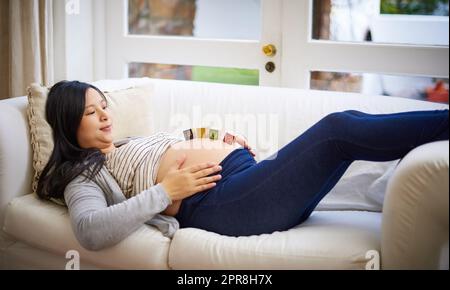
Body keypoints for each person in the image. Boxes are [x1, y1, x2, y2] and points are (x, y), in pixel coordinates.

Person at [37, 80, 449, 251]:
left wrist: (220, 141)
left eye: (104, 106)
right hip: (220, 203)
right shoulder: (82, 175)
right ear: (68, 123)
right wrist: (168, 191)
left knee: (350, 125)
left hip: (239, 177)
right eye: (92, 113)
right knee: (338, 131)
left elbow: (175, 144)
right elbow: (90, 232)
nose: (106, 115)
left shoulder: (122, 144)